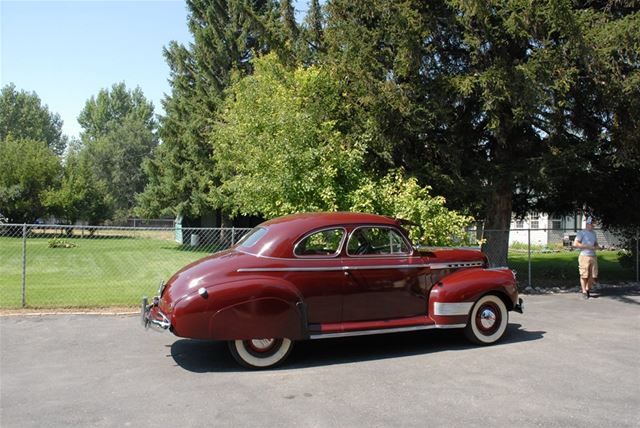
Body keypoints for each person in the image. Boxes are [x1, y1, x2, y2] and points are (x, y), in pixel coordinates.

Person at [574, 217, 599, 299]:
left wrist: (598, 247)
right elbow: (576, 244)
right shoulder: (581, 233)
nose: (593, 226)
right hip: (584, 256)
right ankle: (584, 291)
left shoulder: (594, 233)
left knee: (593, 275)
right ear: (588, 224)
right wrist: (587, 246)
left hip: (593, 256)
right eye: (592, 224)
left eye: (594, 224)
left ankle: (588, 289)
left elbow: (595, 244)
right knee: (584, 275)